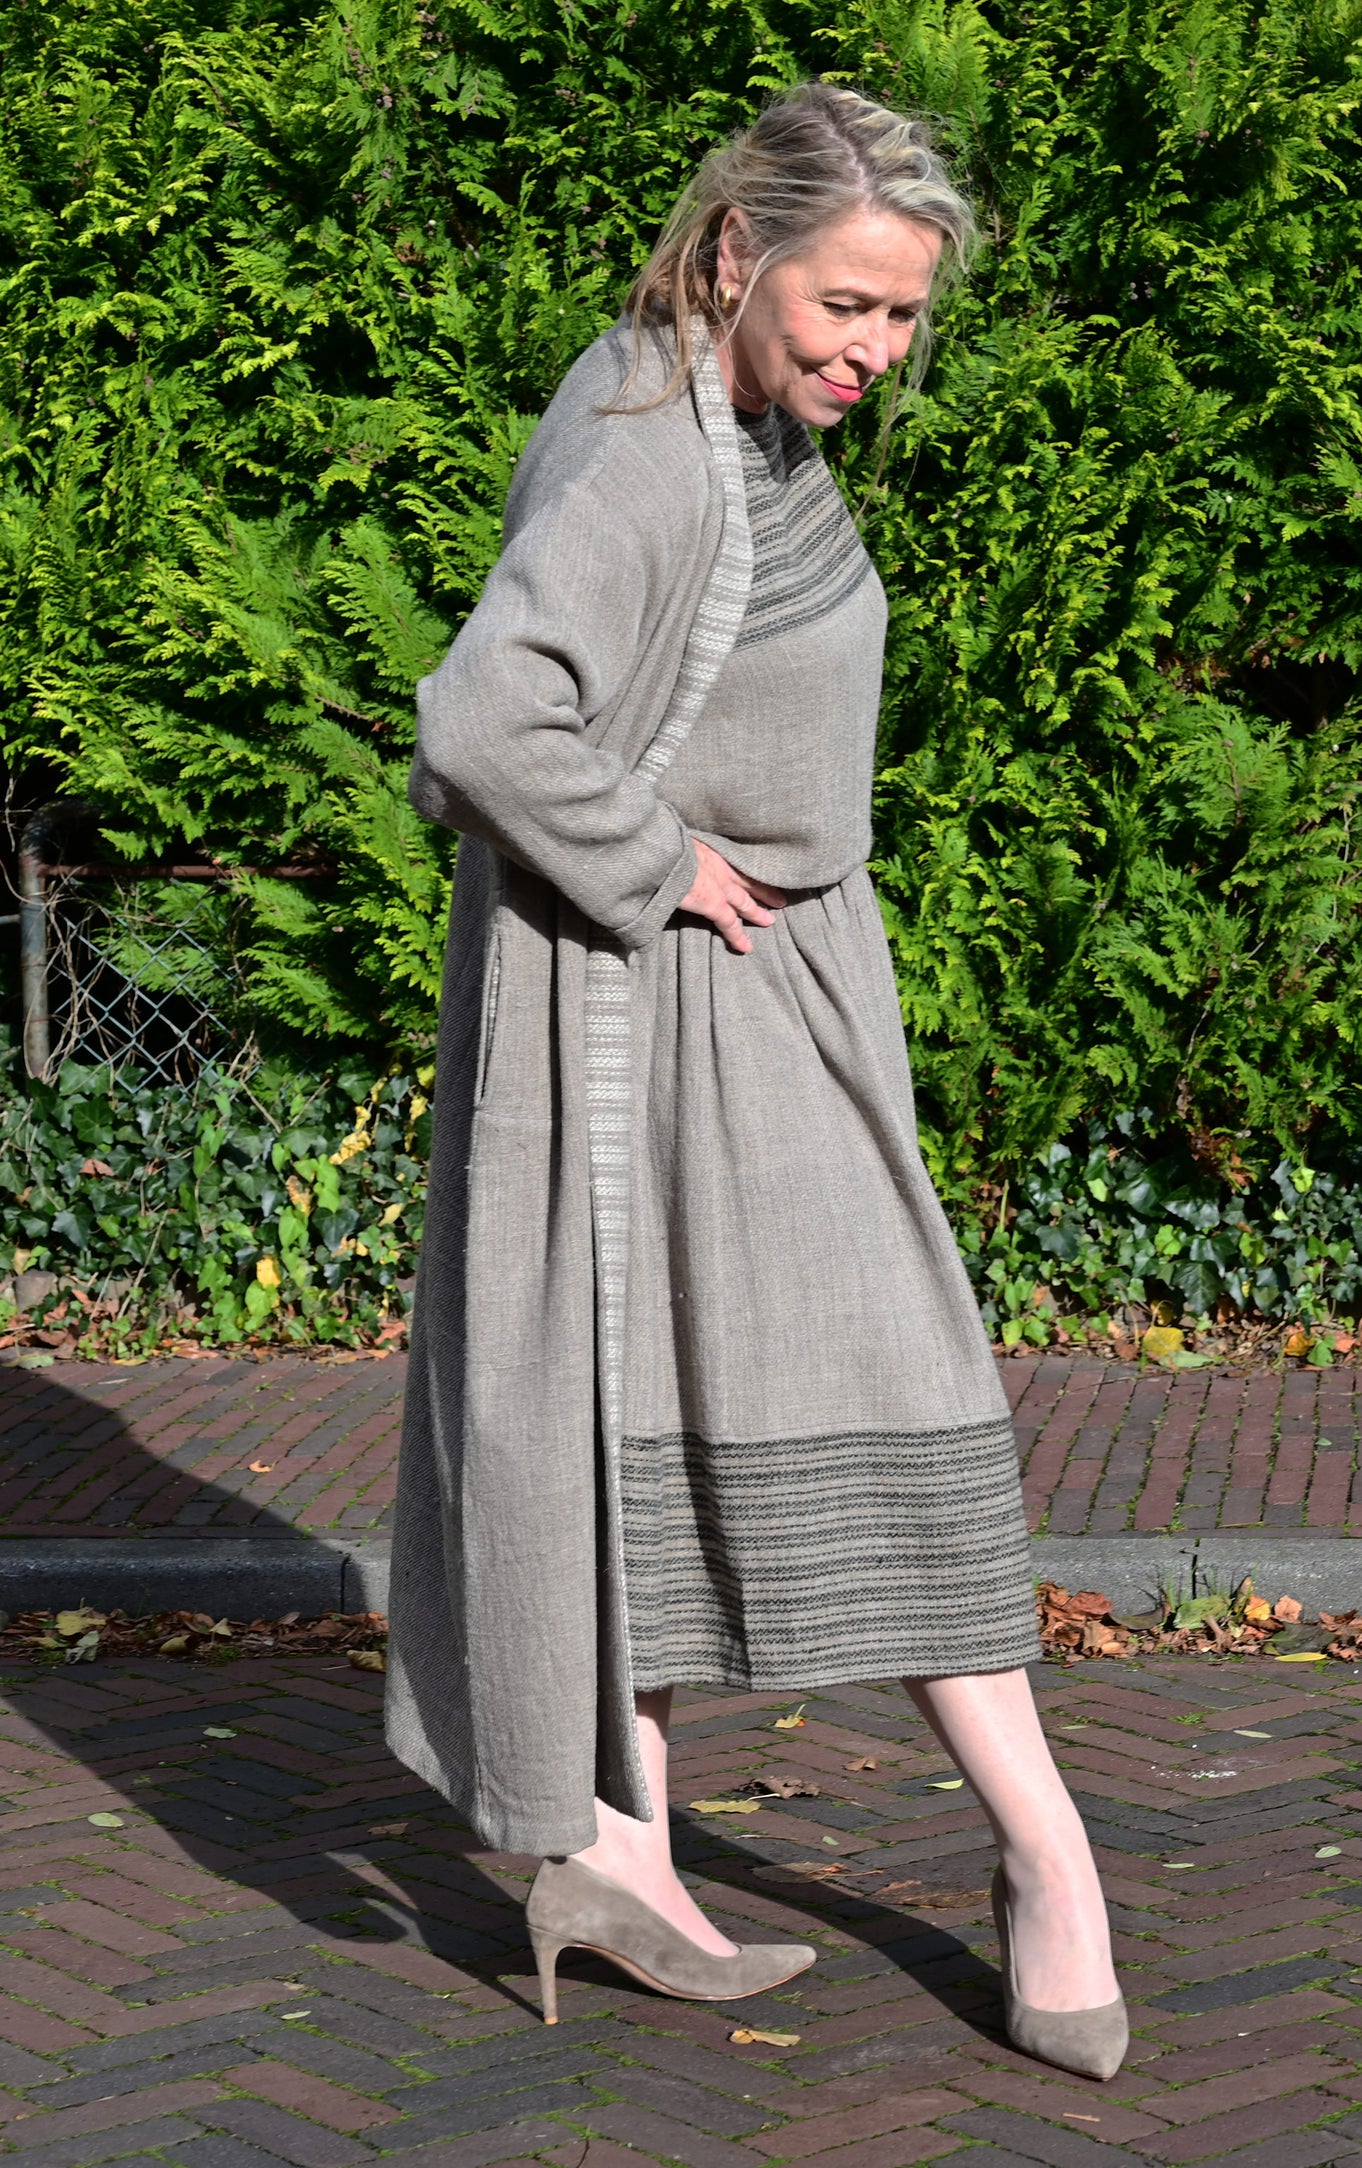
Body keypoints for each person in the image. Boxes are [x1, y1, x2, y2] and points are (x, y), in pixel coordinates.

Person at [384, 81, 1127, 2081]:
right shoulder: (646, 446)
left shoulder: (728, 421)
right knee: (908, 1403)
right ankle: (1052, 1857)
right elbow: (480, 713)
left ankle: (617, 1840)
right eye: (851, 304)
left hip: (769, 1005)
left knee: (649, 1428)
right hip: (678, 1017)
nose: (876, 352)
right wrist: (649, 859)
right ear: (738, 253)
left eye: (905, 319)